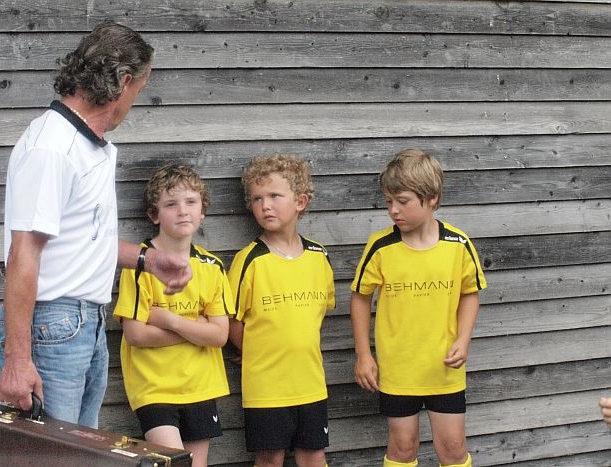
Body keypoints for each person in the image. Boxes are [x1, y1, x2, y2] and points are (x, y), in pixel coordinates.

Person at [0, 21, 192, 429]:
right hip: (52, 327)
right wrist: (17, 360)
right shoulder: (53, 148)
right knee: (50, 455)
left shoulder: (86, 144)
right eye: (139, 90)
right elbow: (23, 254)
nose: (134, 103)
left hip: (83, 324)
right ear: (123, 82)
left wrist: (149, 260)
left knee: (79, 453)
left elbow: (80, 241)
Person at [350, 149, 487, 467]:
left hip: (444, 369)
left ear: (432, 198)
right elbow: (360, 297)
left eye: (402, 201)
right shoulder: (381, 247)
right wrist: (363, 354)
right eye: (388, 202)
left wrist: (463, 339)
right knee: (402, 447)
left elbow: (470, 294)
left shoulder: (458, 244)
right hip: (398, 370)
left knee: (453, 448)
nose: (393, 210)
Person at [113, 165, 231, 467]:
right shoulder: (140, 264)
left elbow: (219, 335)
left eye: (191, 202)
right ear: (154, 215)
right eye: (170, 204)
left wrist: (169, 320)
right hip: (154, 389)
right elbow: (136, 334)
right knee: (174, 464)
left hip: (200, 385)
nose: (182, 211)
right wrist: (197, 328)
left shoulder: (212, 266)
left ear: (202, 211)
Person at [228, 154, 335, 467]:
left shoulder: (318, 256)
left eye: (275, 196)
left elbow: (317, 316)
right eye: (257, 199)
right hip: (266, 387)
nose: (265, 206)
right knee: (270, 458)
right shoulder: (250, 260)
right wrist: (258, 351)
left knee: (314, 456)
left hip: (310, 384)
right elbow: (233, 321)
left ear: (300, 201)